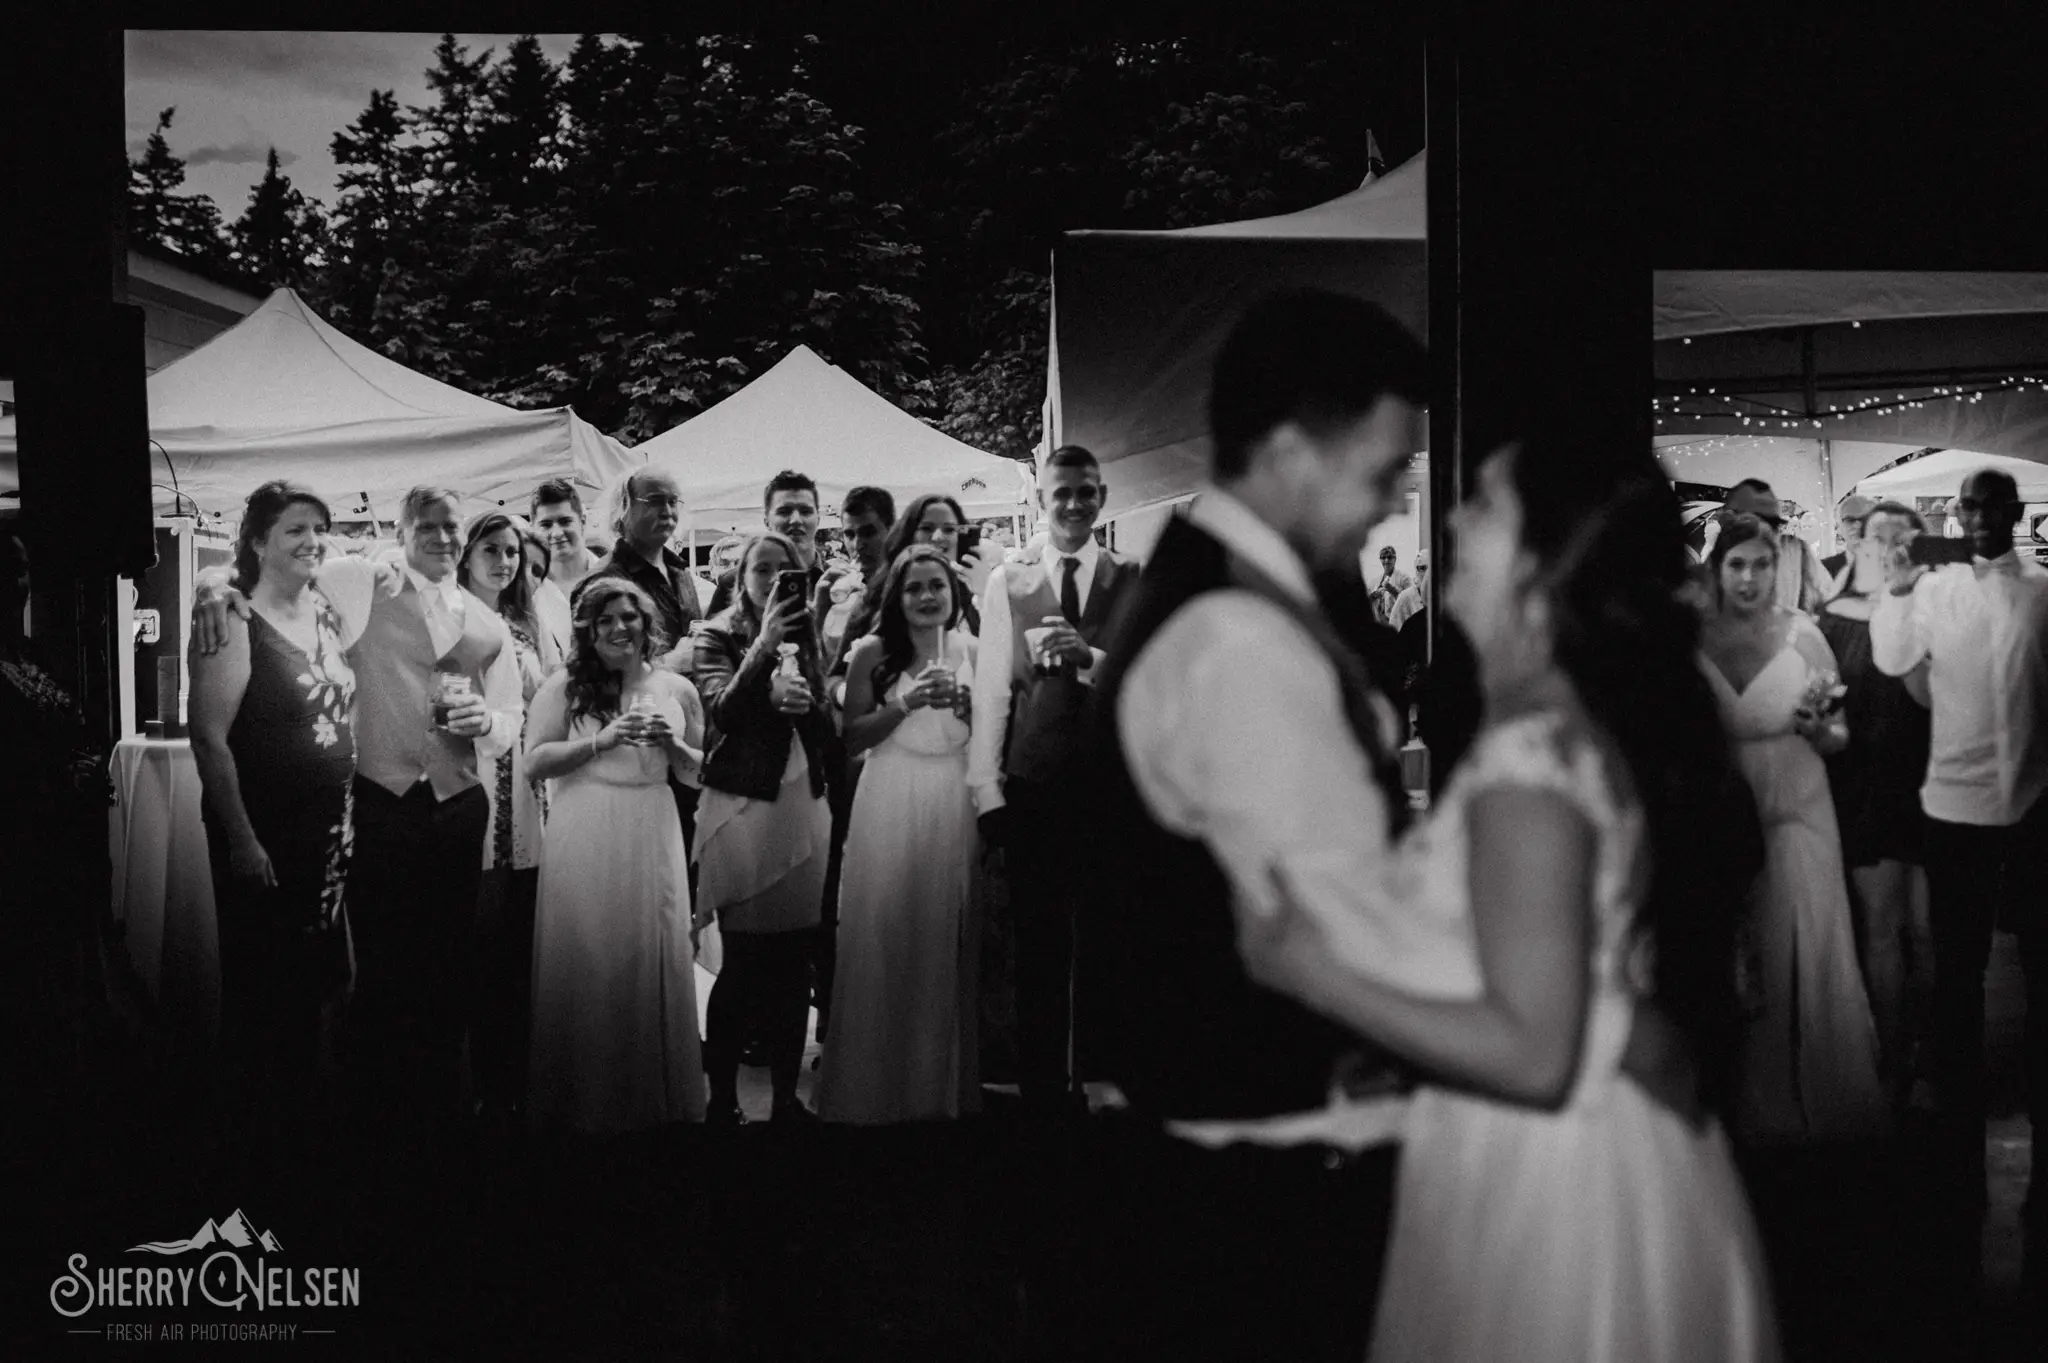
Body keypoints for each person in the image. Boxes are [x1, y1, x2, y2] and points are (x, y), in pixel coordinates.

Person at [1233, 421, 1780, 1363]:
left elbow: (1534, 1054)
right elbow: (1570, 977)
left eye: (1483, 502)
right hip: (1590, 1142)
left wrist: (1307, 965)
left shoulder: (1527, 762)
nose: (1453, 516)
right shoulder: (1569, 726)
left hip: (1546, 1179)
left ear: (1540, 559)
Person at [196, 485, 524, 1140]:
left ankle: (437, 1109)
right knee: (370, 967)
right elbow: (267, 578)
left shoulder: (491, 626)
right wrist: (209, 584)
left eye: (450, 531)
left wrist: (486, 719)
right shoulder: (361, 581)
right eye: (425, 528)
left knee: (446, 965)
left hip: (457, 807)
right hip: (374, 805)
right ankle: (371, 1108)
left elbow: (509, 719)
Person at [1870, 466, 2048, 1312]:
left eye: (1988, 506)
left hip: (2037, 798)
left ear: (2013, 513)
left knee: (2041, 957)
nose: (1974, 517)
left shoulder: (2045, 592)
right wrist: (1899, 589)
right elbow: (1893, 657)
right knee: (1959, 962)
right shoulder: (1934, 590)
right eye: (1965, 506)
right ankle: (1954, 1114)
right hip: (1954, 799)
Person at [186, 482, 359, 1157]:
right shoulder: (230, 619)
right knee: (266, 989)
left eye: (319, 527)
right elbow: (208, 736)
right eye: (294, 528)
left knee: (320, 980)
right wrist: (241, 838)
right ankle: (253, 1145)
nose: (312, 540)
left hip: (328, 833)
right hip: (265, 832)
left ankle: (306, 1128)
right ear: (258, 539)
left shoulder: (323, 609)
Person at [1702, 512, 1887, 1142]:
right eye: (1737, 564)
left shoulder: (1803, 635)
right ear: (1718, 568)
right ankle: (1750, 1097)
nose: (1750, 578)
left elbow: (1840, 734)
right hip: (1730, 817)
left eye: (1760, 563)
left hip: (1801, 808)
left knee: (1806, 946)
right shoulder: (1693, 639)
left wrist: (1822, 730)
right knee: (1745, 949)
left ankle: (1821, 1096)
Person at [968, 445, 1141, 1115]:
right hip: (1034, 784)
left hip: (1106, 785)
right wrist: (987, 789)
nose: (1074, 503)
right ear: (1043, 498)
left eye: (1086, 492)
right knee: (1038, 945)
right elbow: (991, 692)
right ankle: (1043, 1092)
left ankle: (1098, 1082)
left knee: (1105, 940)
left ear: (1103, 496)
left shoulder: (1130, 575)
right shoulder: (1008, 580)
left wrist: (1092, 658)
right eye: (1061, 492)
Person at [524, 578, 708, 1133]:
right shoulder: (565, 687)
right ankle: (584, 1098)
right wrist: (602, 741)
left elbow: (701, 773)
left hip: (652, 824)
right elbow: (535, 762)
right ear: (587, 628)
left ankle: (653, 1100)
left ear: (646, 623)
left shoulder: (678, 689)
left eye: (629, 617)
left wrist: (673, 746)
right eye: (605, 620)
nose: (619, 628)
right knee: (592, 953)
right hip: (587, 825)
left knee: (648, 948)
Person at [813, 545, 981, 1123]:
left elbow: (995, 738)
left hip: (952, 798)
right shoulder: (872, 653)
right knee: (885, 933)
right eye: (915, 588)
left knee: (943, 937)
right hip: (889, 797)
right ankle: (872, 1092)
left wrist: (970, 708)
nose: (929, 596)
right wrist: (907, 702)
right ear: (897, 598)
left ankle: (935, 1091)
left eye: (938, 584)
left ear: (953, 592)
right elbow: (852, 737)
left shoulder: (974, 651)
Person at [692, 532, 835, 1125]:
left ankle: (783, 1099)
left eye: (787, 570)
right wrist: (764, 649)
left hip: (805, 802)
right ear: (742, 577)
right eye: (763, 570)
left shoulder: (812, 637)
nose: (775, 580)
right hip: (744, 807)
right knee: (746, 962)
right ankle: (723, 1102)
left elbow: (827, 726)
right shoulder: (716, 634)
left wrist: (811, 705)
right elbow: (720, 710)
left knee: (795, 961)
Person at [1816, 499, 1935, 1108]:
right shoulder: (1828, 618)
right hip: (1867, 783)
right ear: (1856, 545)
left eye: (1900, 538)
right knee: (1884, 930)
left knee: (1930, 930)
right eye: (1874, 537)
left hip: (1935, 784)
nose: (1886, 548)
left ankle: (1938, 1054)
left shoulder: (1939, 609)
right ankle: (1893, 1060)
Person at [455, 511, 557, 1120]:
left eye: (513, 551)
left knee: (520, 950)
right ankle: (477, 1084)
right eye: (491, 549)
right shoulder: (447, 613)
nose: (505, 561)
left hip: (526, 789)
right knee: (479, 944)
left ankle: (514, 1080)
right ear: (467, 554)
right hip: (471, 789)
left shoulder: (528, 620)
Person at [813, 484, 897, 1045]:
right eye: (848, 532)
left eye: (868, 530)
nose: (858, 542)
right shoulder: (846, 596)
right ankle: (842, 1019)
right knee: (845, 889)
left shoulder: (913, 582)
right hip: (852, 755)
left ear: (890, 527)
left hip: (908, 751)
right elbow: (833, 676)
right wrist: (849, 694)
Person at [707, 471, 829, 619]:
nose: (796, 519)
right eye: (784, 511)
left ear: (818, 519)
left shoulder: (837, 582)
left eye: (805, 511)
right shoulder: (733, 583)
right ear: (766, 520)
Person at [1711, 479, 1828, 614]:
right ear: (1728, 521)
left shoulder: (1795, 549)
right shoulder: (1710, 568)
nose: (1765, 530)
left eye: (1772, 524)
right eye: (1754, 521)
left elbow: (1825, 599)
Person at [530, 479, 606, 661]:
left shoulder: (611, 574)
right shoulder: (527, 589)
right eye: (546, 525)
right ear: (534, 528)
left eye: (565, 521)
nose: (556, 533)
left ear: (583, 521)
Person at [1822, 493, 1877, 583]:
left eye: (1864, 519)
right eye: (1850, 520)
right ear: (1839, 526)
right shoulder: (1824, 570)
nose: (1857, 525)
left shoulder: (1891, 566)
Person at [1368, 543, 1413, 624]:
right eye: (1383, 558)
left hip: (1397, 624)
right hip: (1379, 625)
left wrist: (1393, 591)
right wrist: (1373, 595)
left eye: (1389, 557)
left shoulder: (1404, 578)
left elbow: (1410, 602)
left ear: (1395, 559)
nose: (1386, 560)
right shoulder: (1375, 582)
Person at [1388, 549, 1429, 628]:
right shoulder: (1405, 598)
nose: (1427, 573)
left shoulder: (1445, 596)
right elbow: (1394, 630)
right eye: (1422, 568)